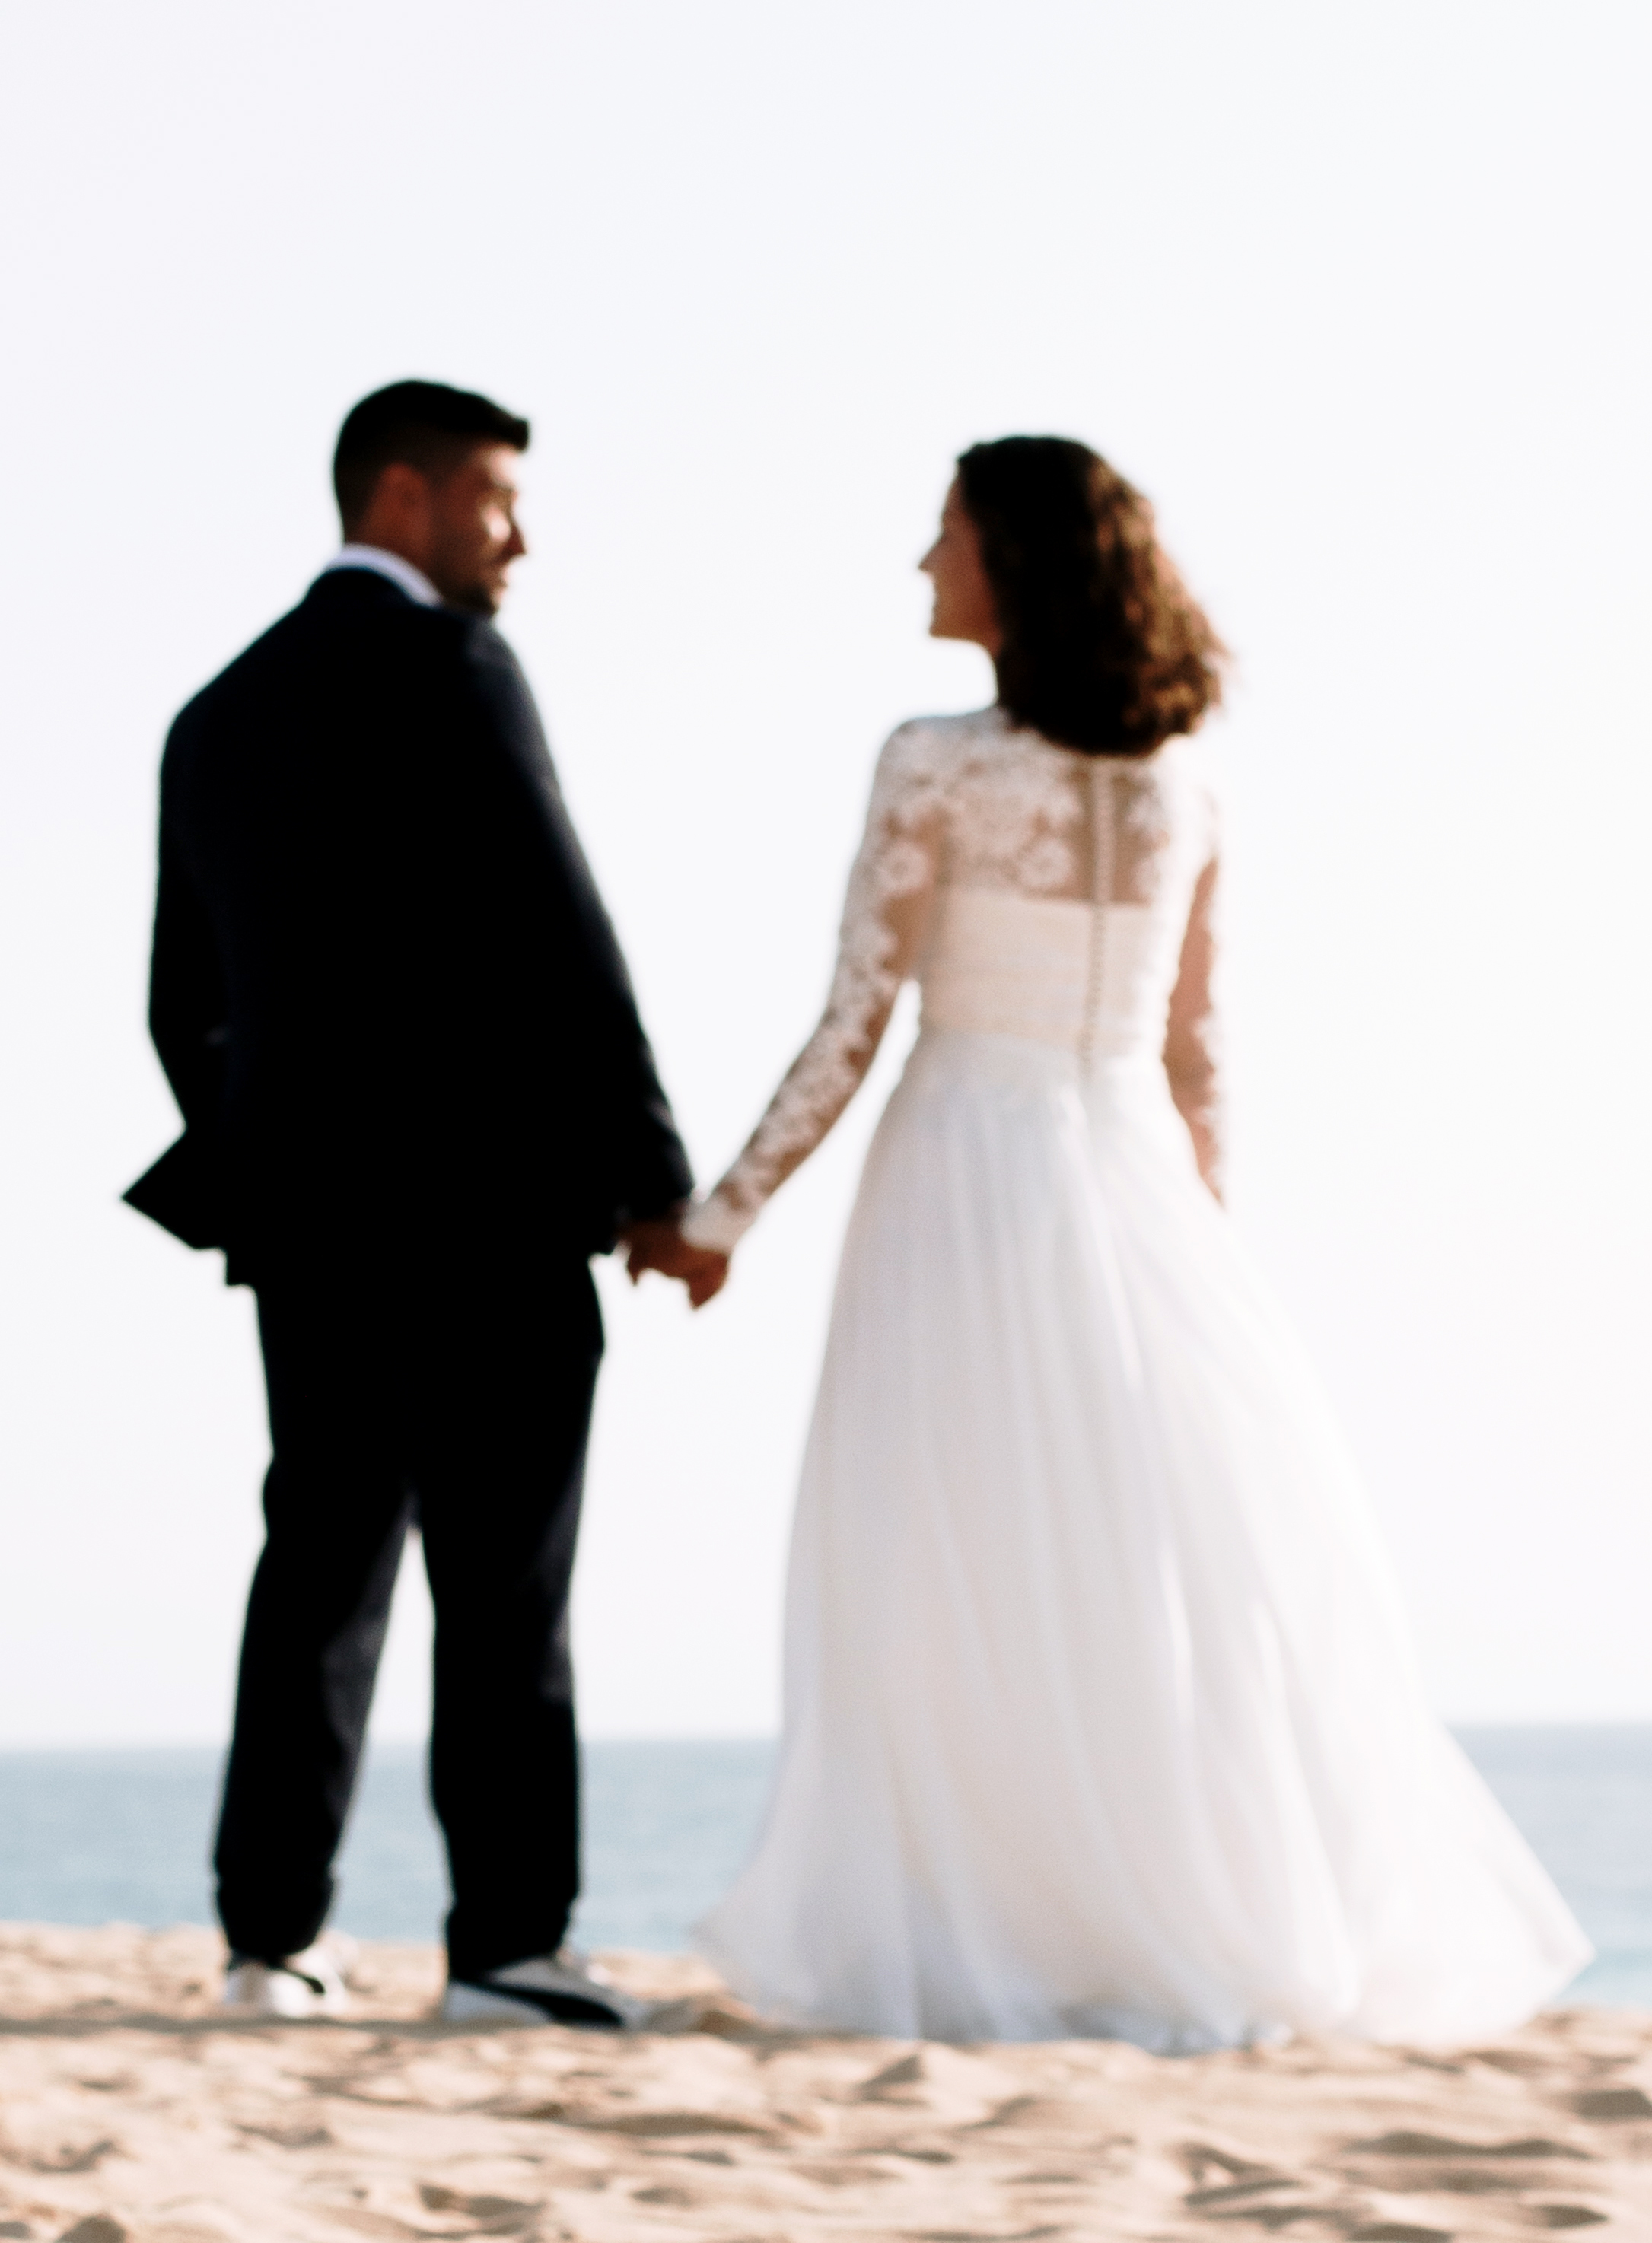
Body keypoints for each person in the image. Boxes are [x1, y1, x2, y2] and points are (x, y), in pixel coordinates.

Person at [634, 438, 1590, 2047]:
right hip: (1131, 1181)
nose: (921, 562)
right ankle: (1136, 1914)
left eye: (943, 535)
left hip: (958, 1173)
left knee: (941, 1558)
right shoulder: (1185, 778)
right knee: (1140, 1563)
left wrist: (719, 1218)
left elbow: (853, 1022)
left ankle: (984, 1923)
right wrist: (1199, 1243)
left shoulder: (929, 761)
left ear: (1014, 562)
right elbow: (1198, 1048)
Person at [132, 381, 695, 2030]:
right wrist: (653, 1174)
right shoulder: (457, 666)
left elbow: (183, 999)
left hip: (304, 1224)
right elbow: (560, 930)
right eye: (497, 500)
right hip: (492, 1216)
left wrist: (281, 1161)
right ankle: (509, 1948)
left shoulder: (217, 711)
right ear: (403, 495)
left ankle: (269, 1944)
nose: (517, 538)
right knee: (505, 1582)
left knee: (315, 1568)